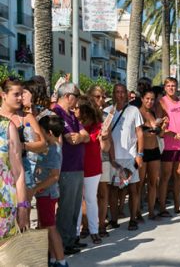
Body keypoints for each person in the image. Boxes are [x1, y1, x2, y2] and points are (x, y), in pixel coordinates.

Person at [53, 82, 89, 255]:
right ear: (67, 96)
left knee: (74, 207)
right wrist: (80, 137)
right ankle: (63, 243)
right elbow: (70, 139)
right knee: (66, 208)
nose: (77, 101)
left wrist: (80, 137)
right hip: (66, 167)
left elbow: (85, 136)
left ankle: (71, 239)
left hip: (77, 166)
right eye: (76, 96)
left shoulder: (72, 115)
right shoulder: (57, 113)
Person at [106, 84, 144, 231]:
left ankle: (133, 219)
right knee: (113, 190)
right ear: (113, 94)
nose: (120, 95)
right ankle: (114, 220)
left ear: (127, 94)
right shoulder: (107, 111)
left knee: (133, 189)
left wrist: (140, 154)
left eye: (122, 92)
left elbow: (139, 133)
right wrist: (110, 157)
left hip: (131, 157)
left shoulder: (134, 110)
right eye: (117, 92)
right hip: (113, 158)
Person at [33, 114, 67, 267]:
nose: (39, 134)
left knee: (51, 228)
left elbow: (54, 176)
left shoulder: (54, 150)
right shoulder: (50, 147)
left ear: (50, 133)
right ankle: (53, 259)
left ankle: (61, 260)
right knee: (47, 226)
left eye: (41, 131)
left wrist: (36, 188)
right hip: (45, 194)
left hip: (47, 193)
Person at [76, 96, 110, 244]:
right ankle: (75, 233)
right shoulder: (74, 123)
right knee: (77, 202)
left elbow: (105, 148)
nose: (74, 110)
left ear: (85, 110)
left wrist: (104, 138)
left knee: (90, 199)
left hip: (92, 167)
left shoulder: (98, 125)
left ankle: (94, 231)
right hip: (75, 167)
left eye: (77, 108)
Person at [0, 78, 29, 241]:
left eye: (21, 94)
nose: (20, 98)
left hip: (3, 206)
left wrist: (23, 207)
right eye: (16, 94)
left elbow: (18, 172)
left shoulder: (6, 127)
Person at [156, 77, 180, 217]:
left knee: (179, 175)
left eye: (173, 85)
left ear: (177, 87)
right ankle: (162, 208)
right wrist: (171, 133)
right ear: (165, 88)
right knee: (165, 176)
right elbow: (158, 126)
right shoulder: (161, 102)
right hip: (168, 144)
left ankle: (178, 206)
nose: (171, 88)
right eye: (168, 85)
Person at [138, 89, 166, 220]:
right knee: (139, 184)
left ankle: (151, 211)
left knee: (153, 182)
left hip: (154, 150)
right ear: (142, 99)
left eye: (152, 99)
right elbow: (138, 133)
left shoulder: (153, 113)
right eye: (147, 99)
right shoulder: (137, 113)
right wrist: (152, 130)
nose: (150, 101)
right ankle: (137, 212)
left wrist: (162, 127)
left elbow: (160, 134)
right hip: (142, 151)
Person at [87, 85, 110, 238]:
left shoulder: (106, 116)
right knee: (87, 195)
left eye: (102, 96)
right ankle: (86, 226)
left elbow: (109, 142)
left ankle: (101, 225)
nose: (101, 99)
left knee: (102, 193)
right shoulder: (83, 115)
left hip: (104, 158)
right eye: (97, 96)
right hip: (87, 158)